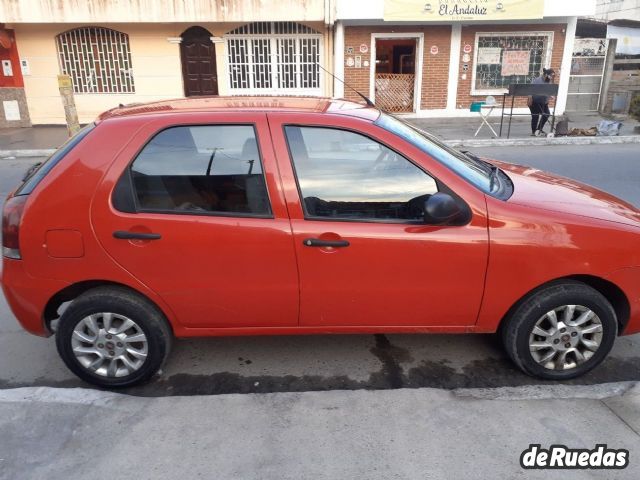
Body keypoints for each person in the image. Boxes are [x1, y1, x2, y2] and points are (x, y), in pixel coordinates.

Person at [528, 68, 555, 136]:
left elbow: (548, 90)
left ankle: (539, 129)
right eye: (551, 76)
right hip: (535, 101)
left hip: (543, 102)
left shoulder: (549, 81)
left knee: (546, 114)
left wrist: (550, 95)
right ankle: (534, 132)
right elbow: (530, 89)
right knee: (535, 116)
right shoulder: (537, 80)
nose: (551, 77)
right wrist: (530, 98)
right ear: (546, 74)